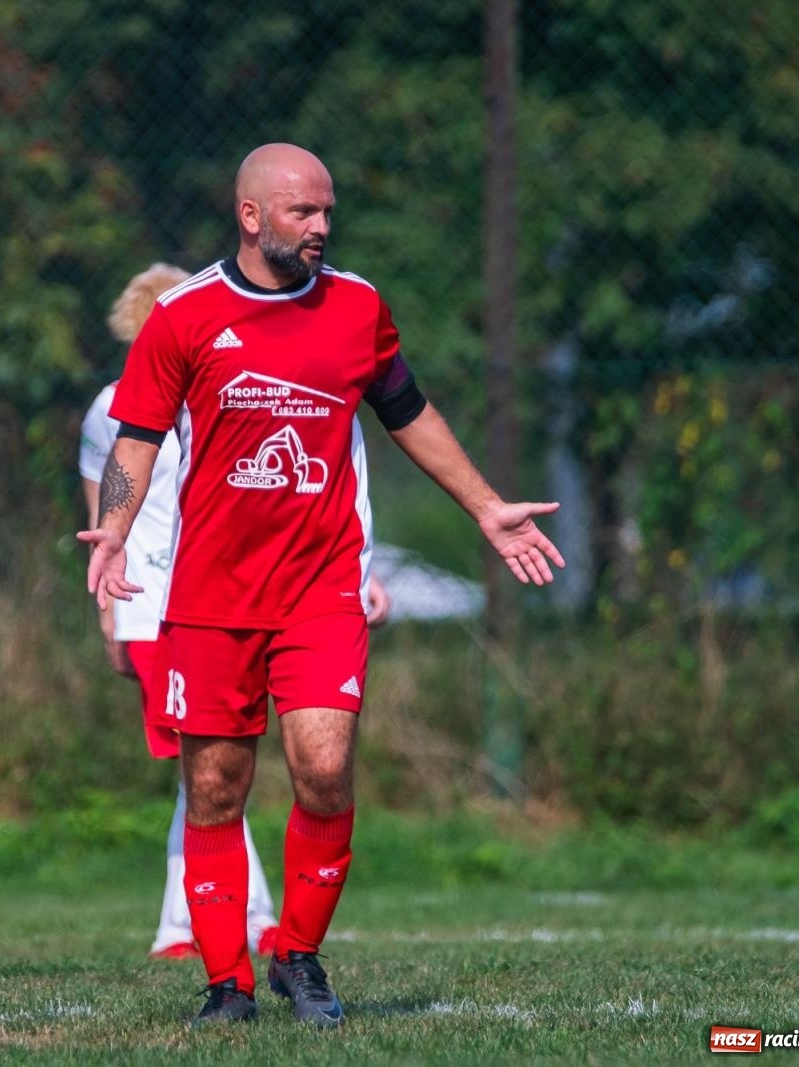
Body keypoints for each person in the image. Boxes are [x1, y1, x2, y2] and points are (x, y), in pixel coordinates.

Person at [79, 143, 563, 1029]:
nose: (322, 228)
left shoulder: (357, 306)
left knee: (326, 768)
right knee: (217, 785)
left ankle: (297, 954)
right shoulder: (184, 317)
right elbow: (137, 438)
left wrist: (486, 506)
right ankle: (227, 984)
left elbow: (409, 412)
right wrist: (112, 530)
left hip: (322, 585)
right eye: (304, 213)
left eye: (328, 212)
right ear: (252, 216)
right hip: (211, 594)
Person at [79, 265, 394, 962]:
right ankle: (206, 930)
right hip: (166, 600)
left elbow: (338, 463)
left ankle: (242, 927)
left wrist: (359, 565)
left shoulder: (268, 373)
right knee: (207, 775)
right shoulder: (115, 406)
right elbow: (105, 501)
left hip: (273, 592)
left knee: (253, 770)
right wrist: (107, 597)